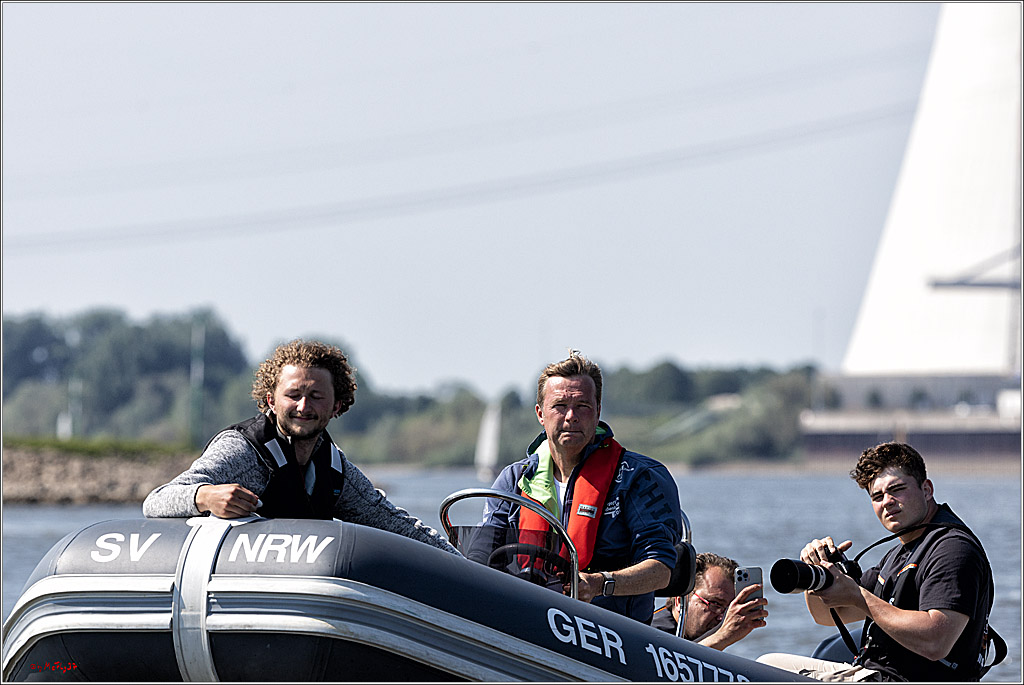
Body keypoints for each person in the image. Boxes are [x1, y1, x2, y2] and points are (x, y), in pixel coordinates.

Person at [143, 339, 459, 555]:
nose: (303, 407)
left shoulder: (335, 470)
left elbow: (393, 522)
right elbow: (156, 501)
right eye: (293, 395)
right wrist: (205, 496)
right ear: (271, 400)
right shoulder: (242, 452)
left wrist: (462, 565)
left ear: (336, 406)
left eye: (316, 397)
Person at [758, 442, 995, 682]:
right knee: (767, 663)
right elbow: (827, 616)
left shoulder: (952, 549)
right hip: (875, 674)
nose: (887, 501)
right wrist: (819, 573)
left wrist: (858, 596)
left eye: (897, 489)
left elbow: (936, 642)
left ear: (927, 490)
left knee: (757, 673)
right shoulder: (899, 554)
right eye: (877, 496)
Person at [478, 351, 682, 623]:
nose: (571, 416)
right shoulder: (512, 479)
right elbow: (480, 557)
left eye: (583, 406)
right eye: (560, 406)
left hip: (612, 630)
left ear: (597, 412)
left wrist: (600, 583)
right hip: (528, 618)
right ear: (540, 414)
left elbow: (661, 570)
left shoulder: (640, 477)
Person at [651, 552, 768, 650]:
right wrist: (722, 637)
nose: (723, 618)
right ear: (680, 601)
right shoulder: (652, 635)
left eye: (729, 609)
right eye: (715, 604)